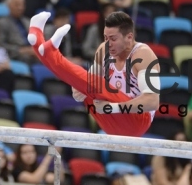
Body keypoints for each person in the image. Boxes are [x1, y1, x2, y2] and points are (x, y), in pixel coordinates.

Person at [27, 11, 159, 137]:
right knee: (85, 84)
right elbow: (87, 82)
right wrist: (79, 92)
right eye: (106, 38)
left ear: (129, 37)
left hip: (137, 122)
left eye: (113, 39)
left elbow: (152, 101)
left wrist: (112, 108)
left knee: (97, 84)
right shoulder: (103, 49)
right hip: (108, 120)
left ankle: (46, 48)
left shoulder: (143, 55)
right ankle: (38, 40)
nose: (108, 43)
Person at [0, 0, 37, 64]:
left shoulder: (28, 22)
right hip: (16, 54)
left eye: (22, 5)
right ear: (8, 6)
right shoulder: (1, 23)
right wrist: (20, 50)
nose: (20, 7)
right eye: (17, 5)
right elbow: (0, 44)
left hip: (32, 52)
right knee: (26, 59)